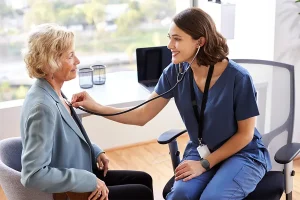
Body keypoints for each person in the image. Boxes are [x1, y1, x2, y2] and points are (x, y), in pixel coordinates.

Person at [71, 7, 272, 200]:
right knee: (180, 195)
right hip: (202, 149)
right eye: (170, 38)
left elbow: (245, 135)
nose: (169, 46)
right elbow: (141, 115)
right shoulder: (175, 73)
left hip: (242, 154)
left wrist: (204, 163)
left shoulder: (239, 78)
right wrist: (96, 107)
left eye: (177, 39)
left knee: (214, 197)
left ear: (199, 42)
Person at [20, 23, 153, 200]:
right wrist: (89, 179)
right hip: (72, 191)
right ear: (51, 62)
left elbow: (68, 139)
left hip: (83, 171)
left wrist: (95, 151)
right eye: (71, 56)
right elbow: (32, 175)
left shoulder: (55, 92)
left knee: (144, 180)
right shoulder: (42, 108)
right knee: (141, 193)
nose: (78, 61)